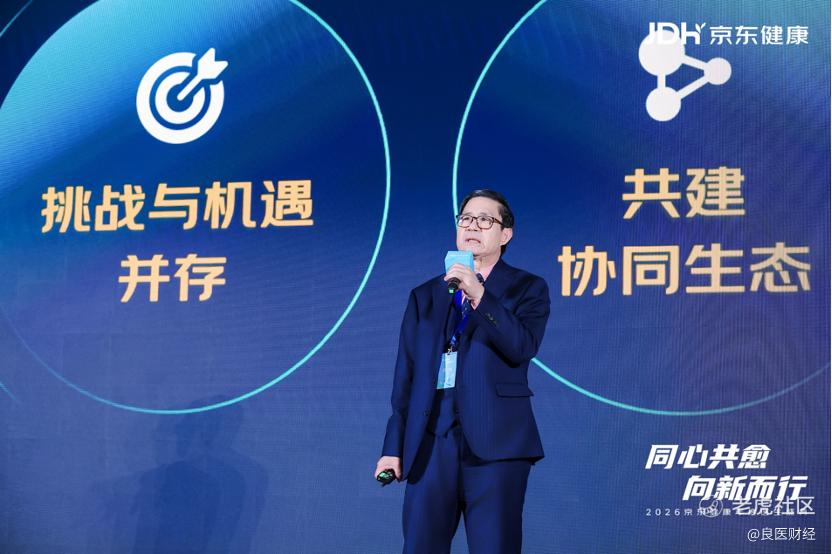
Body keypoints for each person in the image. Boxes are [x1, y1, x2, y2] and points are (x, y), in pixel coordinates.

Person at [375, 189, 550, 553]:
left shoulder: (527, 288)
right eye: (466, 219)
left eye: (484, 220)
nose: (472, 226)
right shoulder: (425, 295)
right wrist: (394, 446)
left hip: (496, 445)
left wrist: (479, 295)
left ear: (505, 234)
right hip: (430, 443)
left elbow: (522, 346)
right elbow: (406, 377)